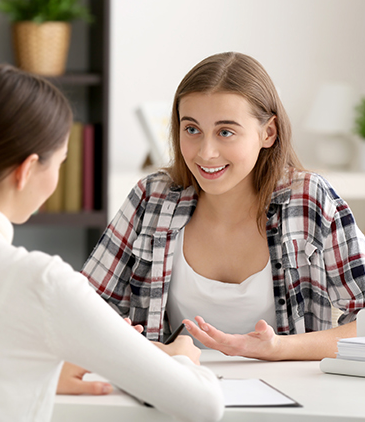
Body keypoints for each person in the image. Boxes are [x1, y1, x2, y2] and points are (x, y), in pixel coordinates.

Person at [0, 65, 224, 421]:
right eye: (60, 163)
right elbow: (204, 405)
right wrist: (183, 353)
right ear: (27, 170)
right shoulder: (42, 282)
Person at [82, 51, 365, 362]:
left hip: (293, 399)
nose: (206, 152)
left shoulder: (309, 199)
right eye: (192, 129)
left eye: (225, 132)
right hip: (178, 397)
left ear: (267, 133)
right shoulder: (152, 198)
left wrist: (278, 348)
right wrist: (146, 348)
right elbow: (84, 309)